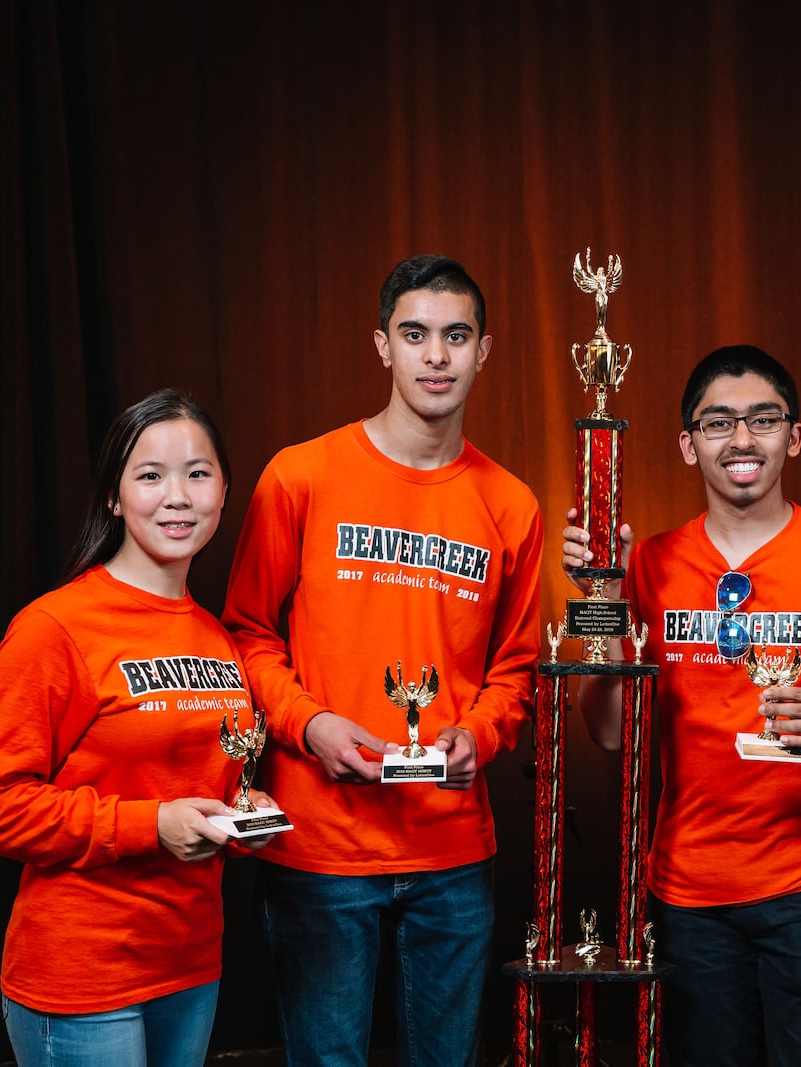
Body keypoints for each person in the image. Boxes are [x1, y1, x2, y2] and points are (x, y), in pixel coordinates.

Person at [561, 345, 801, 1067]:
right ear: (688, 445)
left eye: (763, 418)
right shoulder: (651, 565)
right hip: (692, 893)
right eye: (718, 422)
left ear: (794, 436)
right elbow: (605, 732)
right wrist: (601, 594)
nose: (742, 438)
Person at [222, 254, 542, 1066]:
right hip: (322, 846)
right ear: (383, 346)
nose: (436, 355)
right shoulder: (301, 476)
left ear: (484, 350)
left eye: (456, 336)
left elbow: (516, 669)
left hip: (452, 855)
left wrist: (483, 734)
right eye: (416, 334)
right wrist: (309, 723)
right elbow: (247, 633)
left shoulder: (510, 504)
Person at [0, 388, 280, 1067]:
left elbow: (208, 785)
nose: (178, 496)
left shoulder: (218, 638)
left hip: (189, 964)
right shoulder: (55, 628)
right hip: (84, 974)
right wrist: (148, 824)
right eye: (150, 474)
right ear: (113, 495)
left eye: (197, 472)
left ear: (225, 490)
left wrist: (246, 821)